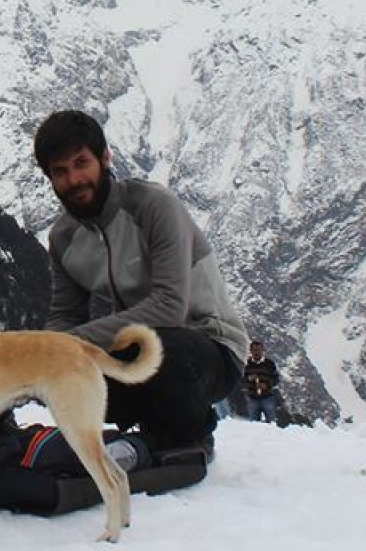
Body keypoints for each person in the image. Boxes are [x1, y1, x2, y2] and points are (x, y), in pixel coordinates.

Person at [33, 110, 248, 460]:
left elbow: (169, 307)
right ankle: (149, 430)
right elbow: (64, 315)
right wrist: (46, 359)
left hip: (208, 350)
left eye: (81, 163)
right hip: (139, 353)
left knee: (161, 347)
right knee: (69, 381)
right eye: (60, 171)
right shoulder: (63, 239)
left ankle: (189, 434)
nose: (74, 179)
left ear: (105, 158)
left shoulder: (153, 207)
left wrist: (66, 344)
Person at [244, 340, 280, 423]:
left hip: (268, 398)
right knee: (253, 424)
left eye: (259, 350)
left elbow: (276, 379)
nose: (257, 352)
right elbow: (241, 380)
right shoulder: (246, 364)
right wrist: (249, 379)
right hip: (252, 398)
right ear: (251, 351)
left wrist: (266, 385)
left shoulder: (270, 364)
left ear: (262, 350)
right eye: (254, 350)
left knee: (272, 423)